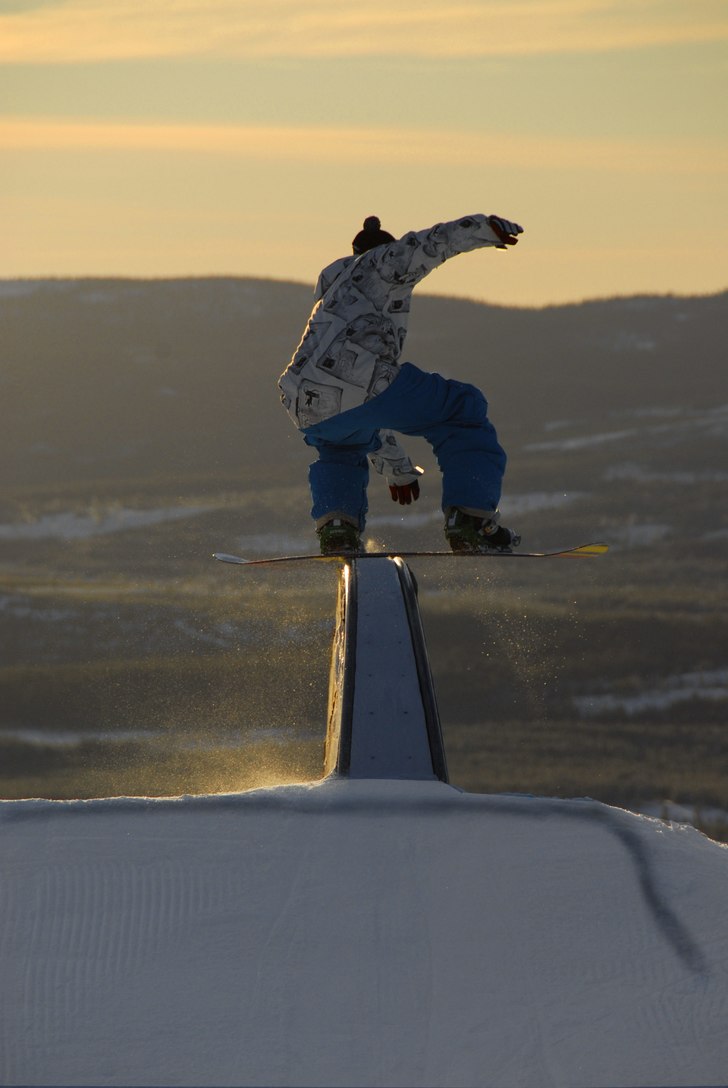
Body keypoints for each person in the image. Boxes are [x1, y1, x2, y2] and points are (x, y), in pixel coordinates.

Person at [278, 212, 524, 555]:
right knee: (463, 410)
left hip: (303, 397)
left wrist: (399, 471)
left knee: (341, 448)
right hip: (361, 377)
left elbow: (363, 410)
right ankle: (471, 519)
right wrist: (483, 229)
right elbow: (424, 246)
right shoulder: (379, 264)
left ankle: (338, 527)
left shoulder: (331, 290)